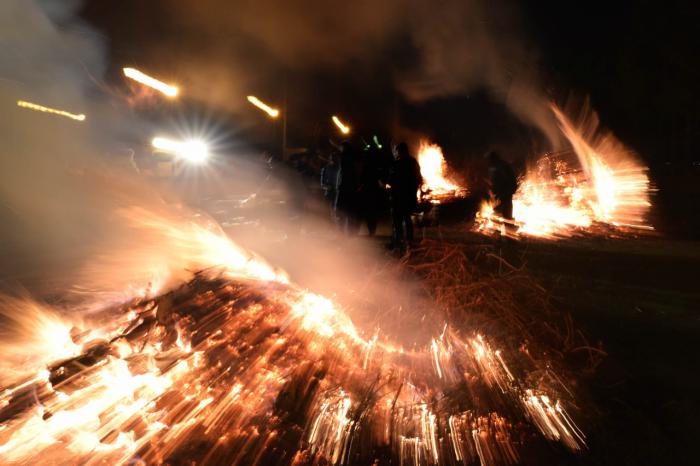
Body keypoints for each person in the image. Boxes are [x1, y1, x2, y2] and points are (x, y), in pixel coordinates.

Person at [387, 142, 422, 249]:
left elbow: (391, 180)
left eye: (397, 150)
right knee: (407, 219)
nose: (396, 152)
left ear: (399, 151)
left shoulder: (397, 164)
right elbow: (419, 179)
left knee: (398, 220)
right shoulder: (413, 162)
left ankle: (399, 241)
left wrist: (387, 185)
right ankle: (409, 241)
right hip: (409, 197)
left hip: (398, 197)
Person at [334, 141, 361, 234]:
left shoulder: (345, 159)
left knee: (340, 211)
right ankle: (349, 233)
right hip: (350, 188)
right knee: (349, 212)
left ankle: (342, 233)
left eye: (341, 148)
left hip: (344, 188)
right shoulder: (352, 159)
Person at [486, 151, 518, 220]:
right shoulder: (497, 166)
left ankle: (508, 222)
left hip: (506, 190)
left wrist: (499, 190)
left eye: (490, 159)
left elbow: (505, 180)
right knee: (503, 205)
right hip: (504, 190)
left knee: (506, 206)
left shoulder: (501, 166)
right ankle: (504, 219)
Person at [320, 151, 340, 223]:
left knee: (336, 212)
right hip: (330, 193)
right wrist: (326, 187)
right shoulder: (325, 169)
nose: (333, 160)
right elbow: (322, 183)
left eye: (335, 159)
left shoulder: (340, 168)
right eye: (332, 159)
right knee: (328, 211)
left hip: (338, 193)